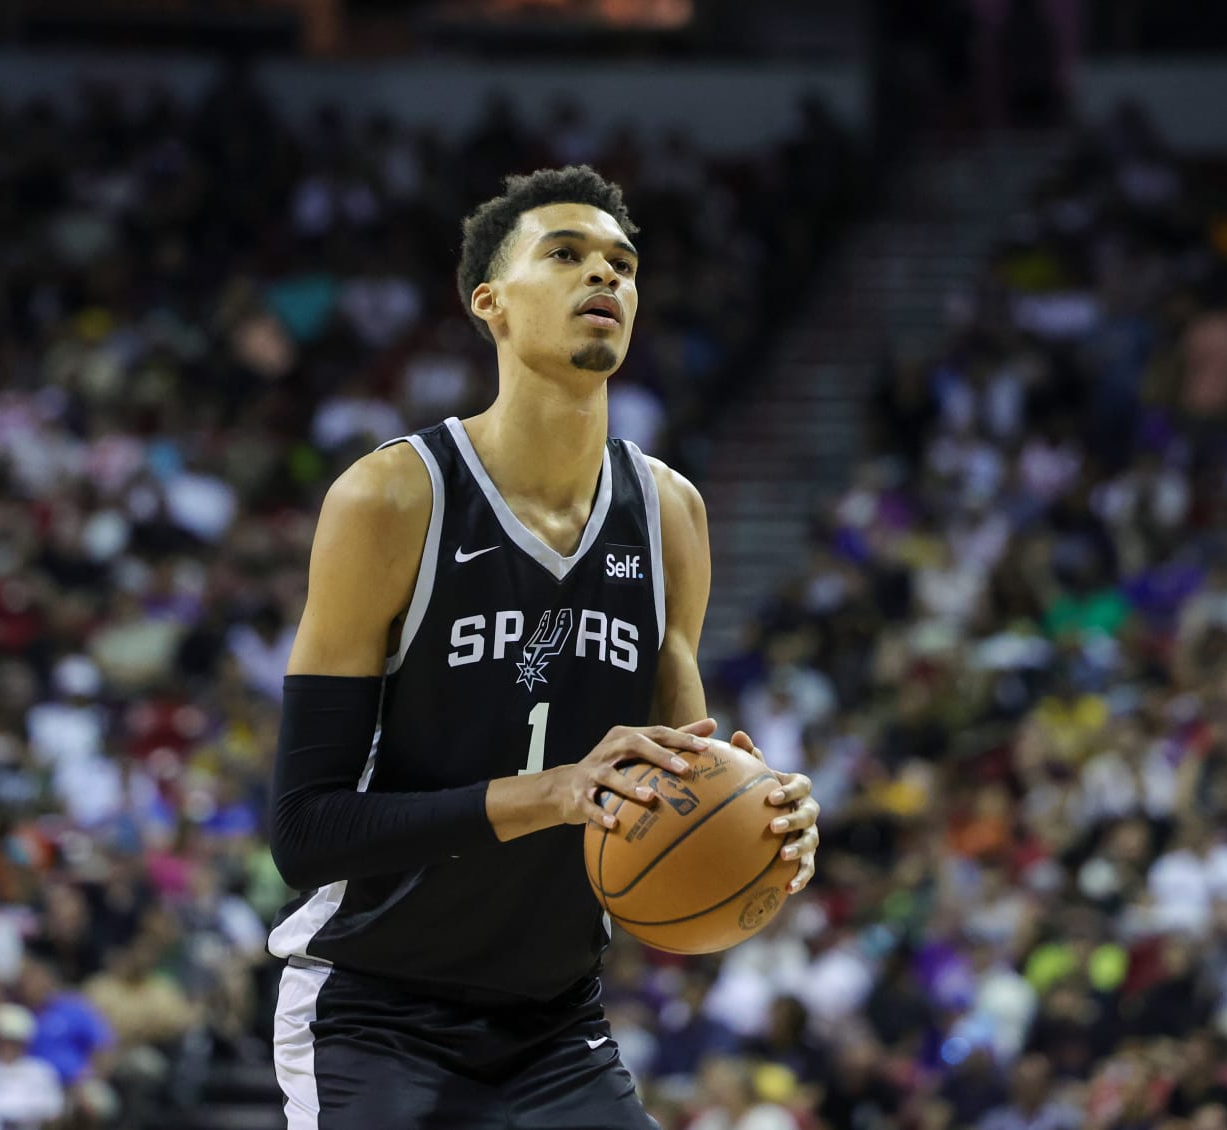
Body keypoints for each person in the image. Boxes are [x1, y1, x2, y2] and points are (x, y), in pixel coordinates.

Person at [265, 164, 821, 1128]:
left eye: (622, 264)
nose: (602, 276)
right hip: (374, 1006)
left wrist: (765, 821)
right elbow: (304, 834)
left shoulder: (670, 514)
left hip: (555, 1023)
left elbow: (688, 769)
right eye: (564, 255)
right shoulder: (392, 499)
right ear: (492, 302)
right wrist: (554, 792)